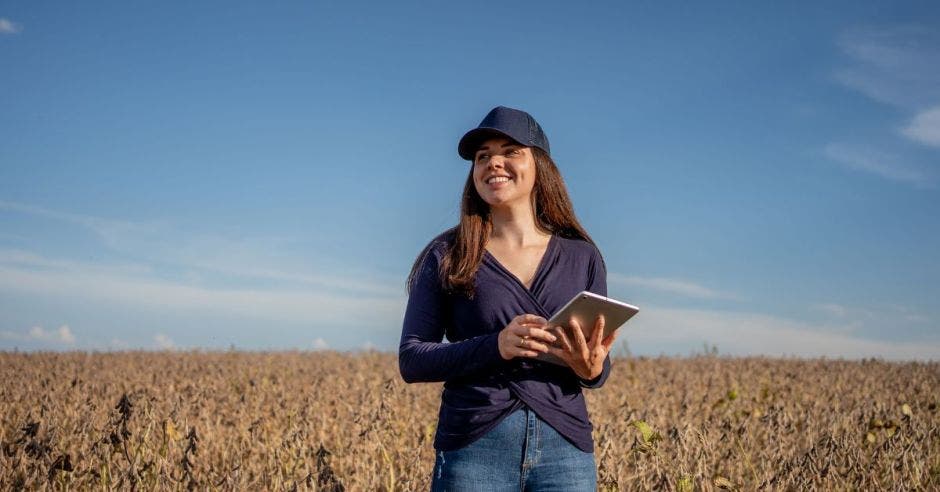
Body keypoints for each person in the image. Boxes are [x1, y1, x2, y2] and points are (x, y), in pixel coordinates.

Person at [399, 106, 618, 491]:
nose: (493, 163)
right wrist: (495, 345)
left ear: (540, 166)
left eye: (510, 151)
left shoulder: (583, 255)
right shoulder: (447, 252)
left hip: (565, 449)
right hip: (474, 445)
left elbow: (597, 366)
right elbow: (412, 359)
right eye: (482, 156)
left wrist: (593, 369)